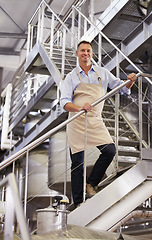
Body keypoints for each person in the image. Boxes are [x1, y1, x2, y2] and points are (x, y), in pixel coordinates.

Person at [60, 40, 136, 207]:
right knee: (77, 164)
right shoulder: (71, 77)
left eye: (88, 50)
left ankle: (91, 183)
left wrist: (130, 81)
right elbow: (64, 102)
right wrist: (79, 107)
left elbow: (121, 88)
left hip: (95, 120)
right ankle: (79, 201)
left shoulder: (102, 73)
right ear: (77, 54)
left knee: (110, 150)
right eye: (82, 51)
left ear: (92, 54)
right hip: (76, 120)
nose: (85, 53)